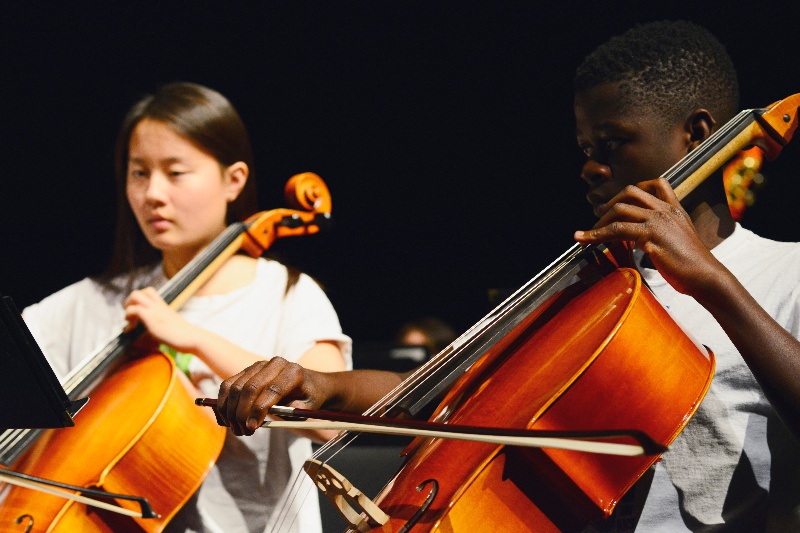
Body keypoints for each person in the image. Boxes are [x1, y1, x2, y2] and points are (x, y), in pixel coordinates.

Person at [216, 20, 800, 531]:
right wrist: (323, 386)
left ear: (697, 135)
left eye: (613, 144)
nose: (591, 167)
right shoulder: (595, 287)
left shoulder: (785, 273)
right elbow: (447, 392)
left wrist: (711, 281)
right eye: (585, 147)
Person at [20, 82, 351, 533]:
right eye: (139, 173)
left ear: (234, 180)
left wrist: (194, 339)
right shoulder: (92, 301)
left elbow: (327, 423)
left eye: (175, 173)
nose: (152, 193)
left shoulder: (287, 294)